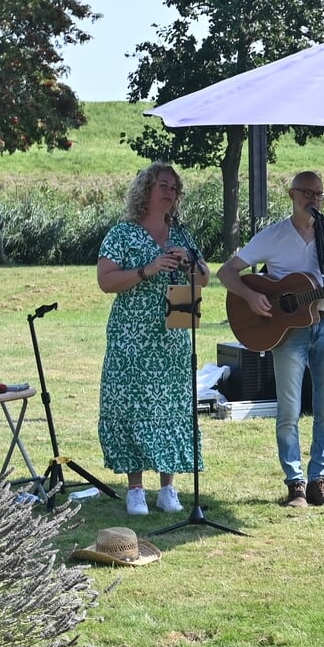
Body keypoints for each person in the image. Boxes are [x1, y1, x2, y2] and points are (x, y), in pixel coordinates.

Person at [219, 171, 324, 508]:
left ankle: (319, 480)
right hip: (286, 330)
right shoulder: (274, 236)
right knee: (289, 408)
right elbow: (227, 272)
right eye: (307, 193)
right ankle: (295, 483)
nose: (314, 199)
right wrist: (250, 297)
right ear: (292, 195)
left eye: (319, 194)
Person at [96, 163, 211, 516]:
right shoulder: (122, 234)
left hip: (173, 334)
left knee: (172, 408)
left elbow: (205, 278)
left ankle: (168, 489)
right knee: (132, 407)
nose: (170, 192)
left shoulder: (182, 235)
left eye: (175, 188)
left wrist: (188, 264)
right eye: (163, 185)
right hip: (133, 336)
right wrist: (148, 269)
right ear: (145, 189)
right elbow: (105, 280)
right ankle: (134, 489)